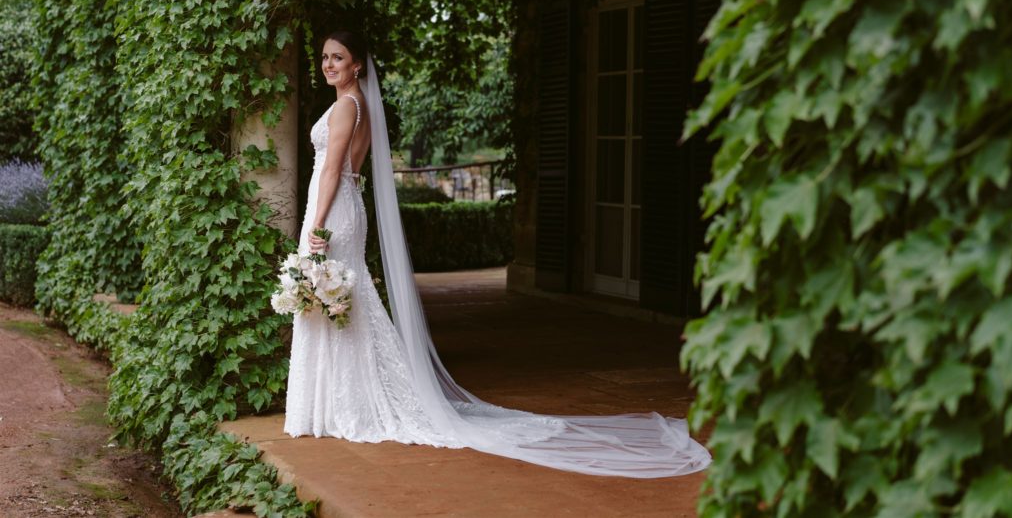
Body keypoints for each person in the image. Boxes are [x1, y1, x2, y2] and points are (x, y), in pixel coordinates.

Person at [283, 30, 712, 477]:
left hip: (332, 210)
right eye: (325, 58)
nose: (329, 64)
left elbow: (332, 169)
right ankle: (340, 403)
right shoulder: (359, 106)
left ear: (357, 65)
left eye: (339, 58)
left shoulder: (345, 108)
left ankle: (341, 406)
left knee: (337, 300)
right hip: (347, 206)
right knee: (345, 302)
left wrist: (315, 225)